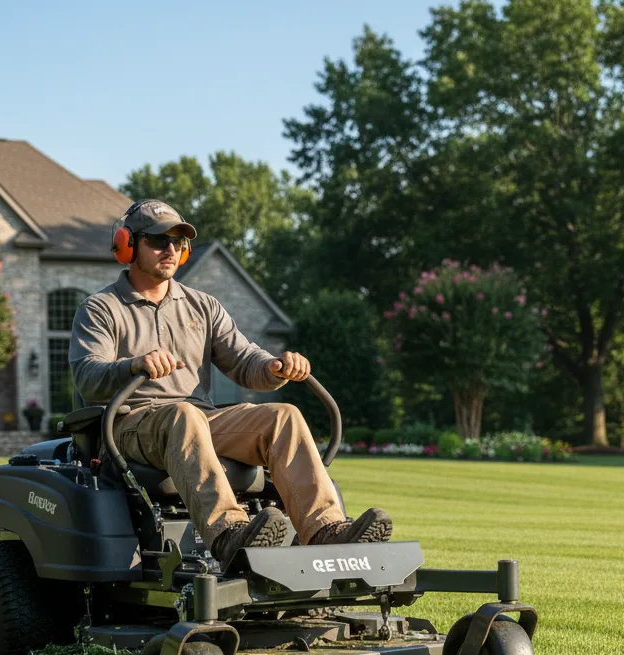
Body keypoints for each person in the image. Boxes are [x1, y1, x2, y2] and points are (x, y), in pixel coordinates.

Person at [69, 199, 393, 566]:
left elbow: (244, 360)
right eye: (158, 241)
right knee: (184, 415)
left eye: (178, 242)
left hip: (198, 420)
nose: (170, 249)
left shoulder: (202, 306)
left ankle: (326, 531)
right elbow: (87, 376)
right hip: (130, 424)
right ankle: (229, 535)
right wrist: (132, 365)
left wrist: (274, 367)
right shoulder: (101, 309)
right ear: (128, 245)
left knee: (283, 415)